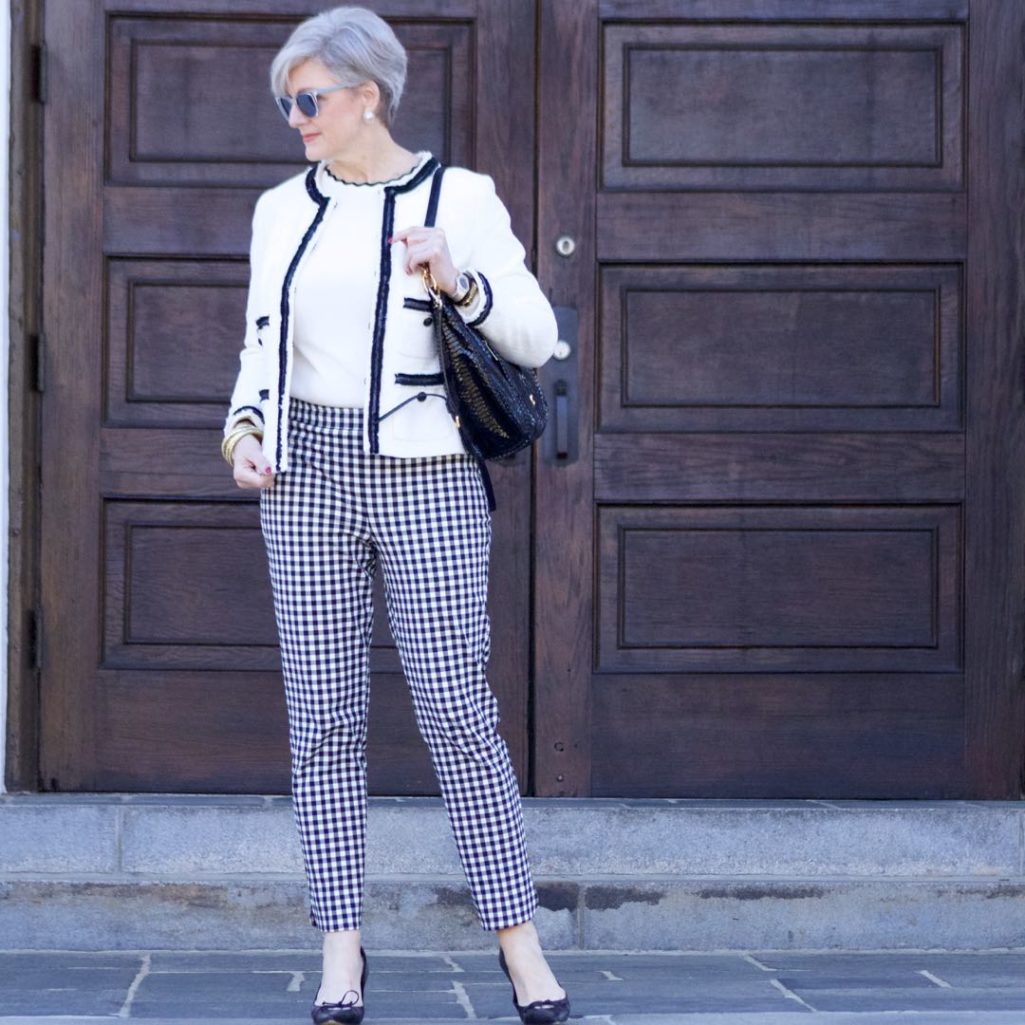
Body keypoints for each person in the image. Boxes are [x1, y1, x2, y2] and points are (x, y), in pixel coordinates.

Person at [221, 7, 569, 1025]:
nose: (294, 117)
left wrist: (455, 276)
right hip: (307, 476)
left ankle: (518, 946)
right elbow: (259, 343)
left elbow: (537, 333)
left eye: (309, 98)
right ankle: (341, 951)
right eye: (286, 100)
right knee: (323, 720)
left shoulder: (458, 195)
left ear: (367, 95)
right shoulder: (280, 208)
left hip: (426, 475)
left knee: (458, 713)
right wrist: (245, 429)